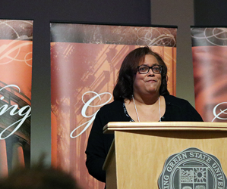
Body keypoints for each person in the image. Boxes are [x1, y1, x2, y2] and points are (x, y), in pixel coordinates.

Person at [85, 46, 203, 183]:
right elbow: (94, 160)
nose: (151, 73)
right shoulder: (109, 113)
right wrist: (124, 174)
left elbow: (203, 149)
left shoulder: (182, 109)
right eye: (143, 69)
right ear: (130, 76)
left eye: (156, 68)